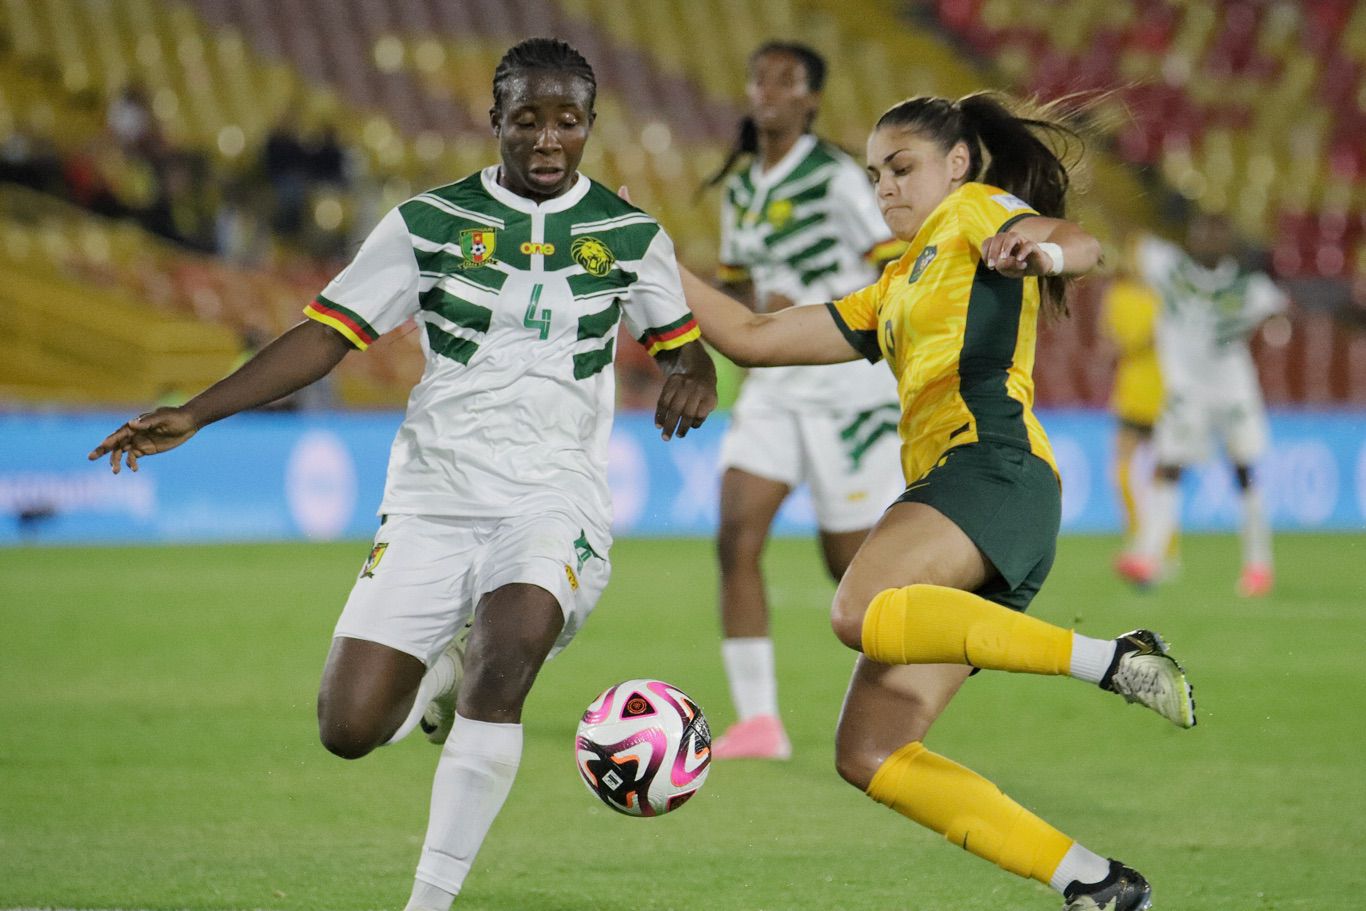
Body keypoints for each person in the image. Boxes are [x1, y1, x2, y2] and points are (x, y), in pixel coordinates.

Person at [90, 38, 717, 911]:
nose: (546, 139)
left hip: (552, 494)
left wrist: (694, 374)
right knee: (349, 729)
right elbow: (326, 335)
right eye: (527, 119)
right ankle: (441, 672)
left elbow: (686, 348)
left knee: (513, 652)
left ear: (590, 126)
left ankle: (428, 901)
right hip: (433, 498)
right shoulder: (425, 224)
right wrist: (199, 411)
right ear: (493, 120)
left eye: (566, 121)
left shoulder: (631, 235)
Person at [675, 92, 1195, 911]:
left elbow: (1081, 243)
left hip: (992, 471)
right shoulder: (891, 289)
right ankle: (1092, 880)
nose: (885, 186)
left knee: (858, 607)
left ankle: (1113, 657)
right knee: (871, 753)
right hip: (976, 505)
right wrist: (652, 256)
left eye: (901, 167)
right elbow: (751, 337)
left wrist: (1040, 254)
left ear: (956, 162)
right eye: (875, 174)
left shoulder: (978, 212)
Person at [700, 42, 906, 760]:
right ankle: (759, 721)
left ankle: (922, 672)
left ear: (811, 100)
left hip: (843, 386)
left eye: (785, 83)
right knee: (735, 534)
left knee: (848, 570)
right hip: (775, 386)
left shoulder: (837, 177)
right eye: (760, 78)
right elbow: (737, 285)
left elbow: (898, 268)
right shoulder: (740, 187)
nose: (767, 92)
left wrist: (817, 307)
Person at [1115, 213, 1287, 597]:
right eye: (1201, 233)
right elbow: (1126, 234)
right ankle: (1149, 556)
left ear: (1229, 243)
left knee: (1244, 474)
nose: (1207, 241)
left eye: (1215, 234)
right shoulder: (1170, 268)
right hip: (1186, 395)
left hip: (1234, 396)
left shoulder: (1247, 287)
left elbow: (1283, 309)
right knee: (1168, 468)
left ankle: (1259, 564)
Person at [1098, 241, 1166, 561]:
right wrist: (1147, 337)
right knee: (1125, 471)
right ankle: (1141, 536)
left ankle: (1161, 545)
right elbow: (1113, 341)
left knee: (1162, 474)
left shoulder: (1163, 295)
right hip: (1134, 391)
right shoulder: (1122, 295)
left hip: (1163, 393)